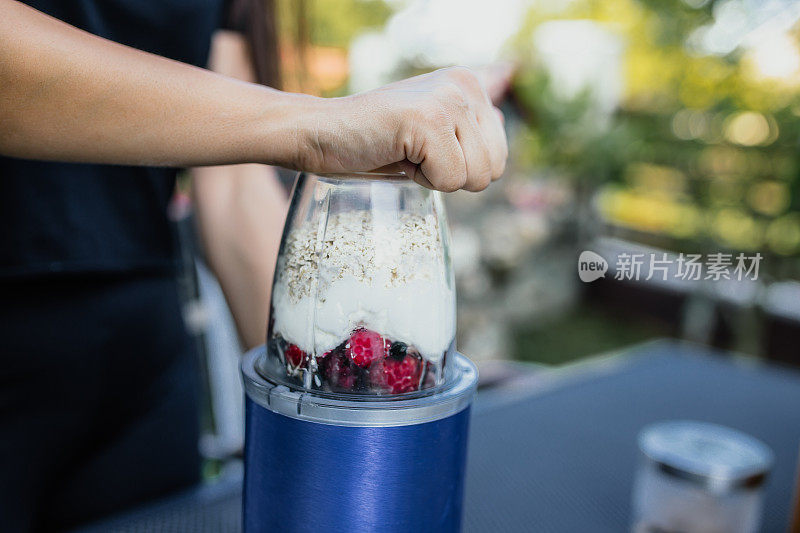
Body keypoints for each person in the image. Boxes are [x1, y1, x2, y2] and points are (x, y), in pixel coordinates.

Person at [0, 0, 507, 530]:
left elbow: (234, 191)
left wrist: (357, 375)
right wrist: (318, 125)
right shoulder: (312, 126)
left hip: (141, 371)